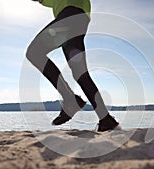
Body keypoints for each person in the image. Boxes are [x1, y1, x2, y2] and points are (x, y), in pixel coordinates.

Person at [27, 0, 119, 132]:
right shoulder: (54, 3)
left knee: (34, 52)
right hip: (80, 22)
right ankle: (106, 119)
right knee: (80, 73)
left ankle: (70, 99)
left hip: (69, 16)